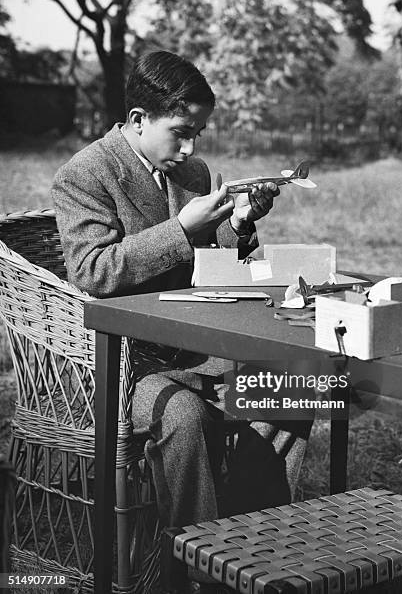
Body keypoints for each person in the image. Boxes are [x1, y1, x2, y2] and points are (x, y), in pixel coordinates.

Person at [52, 50, 313, 589]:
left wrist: (238, 224)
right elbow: (92, 271)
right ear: (139, 120)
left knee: (294, 391)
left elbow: (216, 264)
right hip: (123, 365)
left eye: (199, 132)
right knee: (186, 418)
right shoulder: (85, 173)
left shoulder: (189, 170)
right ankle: (197, 575)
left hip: (194, 350)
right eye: (182, 131)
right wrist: (183, 230)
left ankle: (250, 552)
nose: (192, 148)